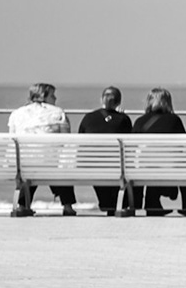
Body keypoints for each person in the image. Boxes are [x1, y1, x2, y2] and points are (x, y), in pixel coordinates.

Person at [7, 83, 77, 217]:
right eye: (52, 95)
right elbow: (66, 140)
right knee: (58, 167)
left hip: (24, 165)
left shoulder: (17, 113)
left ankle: (22, 205)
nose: (55, 98)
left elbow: (12, 139)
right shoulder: (58, 113)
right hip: (50, 165)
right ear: (43, 96)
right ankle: (68, 206)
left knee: (31, 166)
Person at [134, 88, 186, 216]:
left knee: (151, 165)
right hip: (171, 167)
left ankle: (149, 205)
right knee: (185, 167)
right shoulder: (174, 120)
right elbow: (183, 143)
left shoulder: (140, 121)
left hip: (145, 168)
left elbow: (132, 145)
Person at [77, 86, 136, 216]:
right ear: (119, 102)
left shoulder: (88, 117)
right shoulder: (123, 119)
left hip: (89, 166)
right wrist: (120, 115)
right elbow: (128, 144)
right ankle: (112, 204)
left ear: (101, 99)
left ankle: (107, 203)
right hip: (115, 166)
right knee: (118, 167)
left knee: (100, 168)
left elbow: (81, 141)